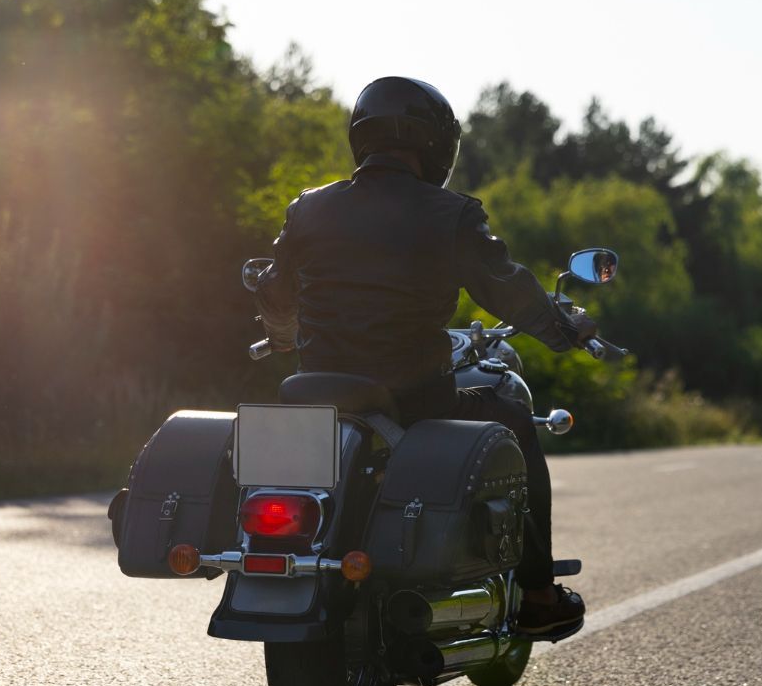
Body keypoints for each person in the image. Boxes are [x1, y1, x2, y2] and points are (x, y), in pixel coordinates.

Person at [255, 75, 596, 637]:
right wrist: (566, 330)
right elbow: (505, 287)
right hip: (414, 395)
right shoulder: (450, 214)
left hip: (312, 389)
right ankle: (536, 593)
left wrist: (285, 335)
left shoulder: (308, 210)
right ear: (437, 145)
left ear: (361, 138)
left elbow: (274, 289)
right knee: (511, 409)